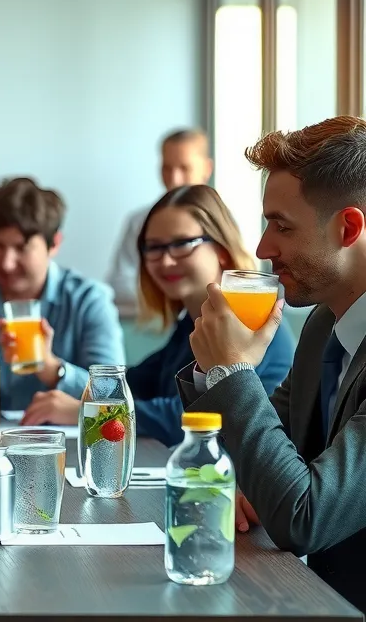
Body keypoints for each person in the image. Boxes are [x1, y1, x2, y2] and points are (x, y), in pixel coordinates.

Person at [52, 116, 366, 622]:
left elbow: (302, 512)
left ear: (348, 227)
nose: (264, 246)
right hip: (300, 615)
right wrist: (217, 379)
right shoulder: (327, 327)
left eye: (280, 225)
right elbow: (251, 453)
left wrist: (230, 375)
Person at [21, 184, 294, 446]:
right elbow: (131, 385)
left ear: (222, 251)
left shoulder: (248, 323)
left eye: (182, 243)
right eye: (154, 247)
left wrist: (87, 412)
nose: (165, 260)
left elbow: (190, 417)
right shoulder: (191, 323)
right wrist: (54, 369)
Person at [0, 176, 125, 410]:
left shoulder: (89, 300)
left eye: (21, 248)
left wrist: (50, 368)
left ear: (54, 244)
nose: (7, 263)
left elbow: (114, 394)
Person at [105, 129, 214, 317]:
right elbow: (118, 283)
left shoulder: (221, 221)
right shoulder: (138, 221)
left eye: (184, 168)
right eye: (166, 168)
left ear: (206, 168)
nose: (174, 179)